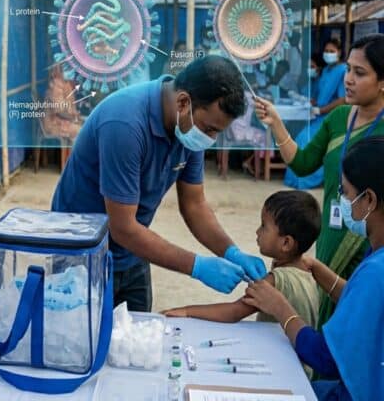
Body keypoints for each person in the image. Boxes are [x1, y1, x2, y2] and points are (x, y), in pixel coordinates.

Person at [51, 55, 267, 311]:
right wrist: (197, 266)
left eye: (217, 132)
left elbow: (194, 205)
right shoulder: (125, 124)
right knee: (82, 342)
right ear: (184, 102)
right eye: (210, 130)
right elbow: (123, 228)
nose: (210, 138)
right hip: (81, 254)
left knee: (135, 341)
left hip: (134, 251)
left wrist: (231, 252)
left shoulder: (189, 129)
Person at [255, 33, 384, 327]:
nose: (348, 79)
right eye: (348, 69)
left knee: (359, 323)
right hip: (331, 236)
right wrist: (276, 124)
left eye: (359, 73)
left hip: (369, 246)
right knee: (326, 322)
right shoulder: (339, 118)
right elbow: (302, 164)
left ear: (382, 82)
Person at [243, 136, 384, 401]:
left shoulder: (376, 272)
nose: (341, 200)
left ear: (369, 200)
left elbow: (325, 357)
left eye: (346, 193)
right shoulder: (375, 255)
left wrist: (280, 308)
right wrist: (320, 271)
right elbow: (366, 307)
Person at [163, 190, 320, 330]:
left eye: (264, 226)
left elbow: (233, 312)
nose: (257, 231)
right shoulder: (308, 272)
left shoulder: (275, 280)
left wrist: (187, 311)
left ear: (286, 243)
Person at [284, 40, 347, 190]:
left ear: (339, 52)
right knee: (300, 138)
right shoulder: (325, 71)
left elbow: (342, 99)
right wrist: (306, 101)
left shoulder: (343, 70)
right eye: (326, 50)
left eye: (332, 51)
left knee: (306, 140)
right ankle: (298, 179)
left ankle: (307, 180)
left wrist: (322, 110)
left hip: (331, 116)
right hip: (319, 115)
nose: (328, 54)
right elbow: (319, 96)